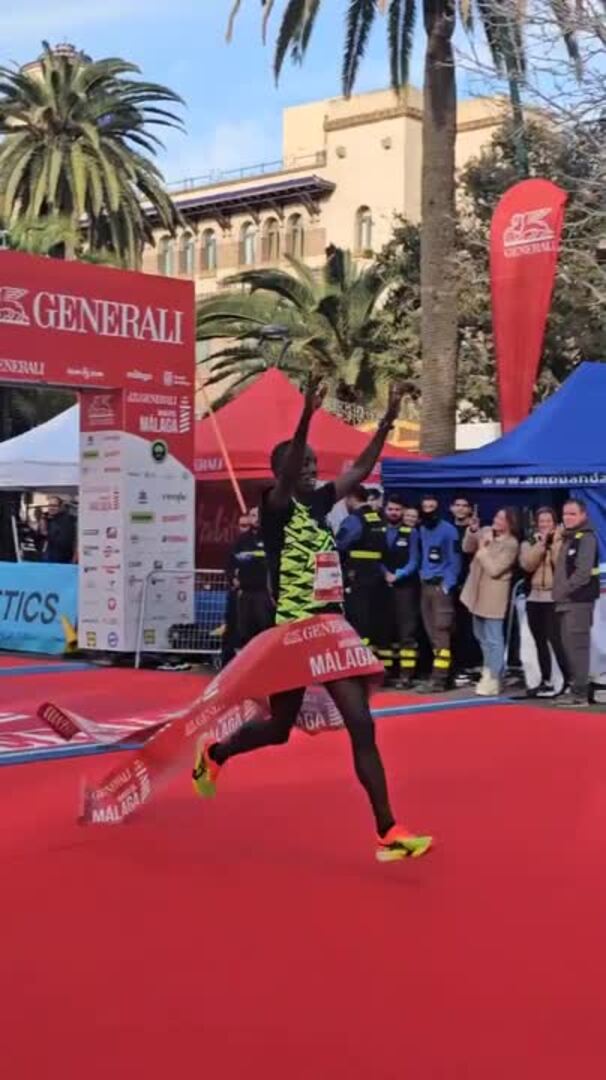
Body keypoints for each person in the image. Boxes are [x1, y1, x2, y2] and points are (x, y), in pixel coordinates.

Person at [192, 375, 432, 861]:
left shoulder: (321, 501)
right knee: (279, 729)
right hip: (292, 633)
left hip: (329, 627)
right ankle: (216, 754)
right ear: (281, 471)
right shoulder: (275, 506)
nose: (309, 469)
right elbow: (287, 474)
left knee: (362, 724)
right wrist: (306, 413)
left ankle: (388, 831)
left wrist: (388, 417)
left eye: (312, 464)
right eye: (300, 464)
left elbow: (360, 468)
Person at [461, 508, 520, 696]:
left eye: (501, 518)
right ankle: (487, 671)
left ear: (510, 523)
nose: (496, 520)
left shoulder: (511, 544)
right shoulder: (486, 532)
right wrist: (472, 531)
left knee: (494, 639)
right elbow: (467, 548)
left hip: (494, 594)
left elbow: (495, 569)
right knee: (480, 636)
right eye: (496, 516)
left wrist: (483, 550)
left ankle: (495, 677)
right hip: (476, 592)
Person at [552, 499, 599, 708]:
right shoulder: (570, 538)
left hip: (578, 601)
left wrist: (563, 590)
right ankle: (575, 690)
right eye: (565, 514)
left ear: (583, 515)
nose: (567, 518)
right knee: (569, 647)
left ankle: (580, 694)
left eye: (572, 514)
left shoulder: (586, 538)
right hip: (566, 601)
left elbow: (582, 573)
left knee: (577, 648)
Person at [519, 507, 569, 698]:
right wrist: (540, 545)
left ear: (555, 523)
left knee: (556, 640)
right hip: (534, 597)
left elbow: (560, 564)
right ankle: (545, 680)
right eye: (542, 521)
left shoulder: (562, 542)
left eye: (548, 521)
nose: (545, 525)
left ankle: (567, 680)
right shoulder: (529, 542)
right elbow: (527, 564)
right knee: (538, 641)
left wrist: (554, 543)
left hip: (553, 597)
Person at [417, 494, 461, 692]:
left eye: (432, 507)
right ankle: (443, 675)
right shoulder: (421, 529)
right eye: (425, 507)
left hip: (440, 586)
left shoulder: (449, 530)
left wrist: (447, 585)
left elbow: (455, 560)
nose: (429, 511)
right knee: (431, 633)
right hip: (425, 585)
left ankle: (439, 680)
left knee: (441, 632)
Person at [377, 495, 420, 687]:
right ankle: (384, 673)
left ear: (402, 511)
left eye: (397, 509)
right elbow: (376, 556)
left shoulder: (411, 532)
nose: (394, 513)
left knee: (406, 631)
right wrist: (385, 574)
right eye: (391, 509)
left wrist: (398, 575)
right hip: (382, 587)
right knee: (384, 631)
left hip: (405, 587)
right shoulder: (378, 530)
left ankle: (406, 675)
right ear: (385, 510)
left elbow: (414, 560)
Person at [336, 484, 385, 651]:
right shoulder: (377, 519)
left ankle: (358, 652)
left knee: (357, 615)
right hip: (376, 574)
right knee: (374, 615)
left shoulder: (354, 520)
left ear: (351, 498)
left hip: (356, 574)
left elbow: (340, 544)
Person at [450, 493, 482, 685]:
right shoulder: (447, 528)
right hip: (451, 584)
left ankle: (473, 666)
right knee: (454, 627)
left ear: (470, 509)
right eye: (457, 505)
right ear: (452, 508)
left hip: (472, 583)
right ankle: (459, 666)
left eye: (464, 505)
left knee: (471, 627)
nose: (461, 508)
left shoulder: (477, 530)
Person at [231, 507, 274, 648]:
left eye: (259, 515)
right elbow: (230, 563)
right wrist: (232, 578)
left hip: (264, 593)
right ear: (249, 518)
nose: (256, 518)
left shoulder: (271, 538)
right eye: (253, 515)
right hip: (245, 593)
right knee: (244, 631)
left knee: (265, 630)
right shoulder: (241, 540)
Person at [41, 497, 76, 563]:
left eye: (54, 506)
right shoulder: (49, 519)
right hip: (49, 558)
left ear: (60, 507)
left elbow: (72, 541)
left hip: (63, 559)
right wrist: (43, 521)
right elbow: (45, 535)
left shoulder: (68, 520)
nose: (51, 508)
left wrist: (74, 559)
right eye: (49, 505)